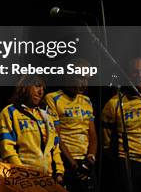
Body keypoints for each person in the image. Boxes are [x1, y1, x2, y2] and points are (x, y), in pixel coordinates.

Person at [101, 57, 141, 192]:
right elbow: (105, 142)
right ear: (128, 76)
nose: (140, 75)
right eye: (135, 72)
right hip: (126, 165)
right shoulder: (114, 103)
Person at [0, 75, 64, 184]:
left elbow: (55, 147)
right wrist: (23, 174)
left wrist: (59, 172)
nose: (41, 92)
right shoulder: (9, 112)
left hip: (48, 179)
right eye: (37, 86)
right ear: (24, 87)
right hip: (23, 179)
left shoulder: (47, 115)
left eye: (43, 88)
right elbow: (7, 149)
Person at [44, 62, 97, 192]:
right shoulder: (53, 98)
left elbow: (93, 135)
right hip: (65, 161)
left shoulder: (86, 100)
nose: (84, 83)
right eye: (80, 77)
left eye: (86, 78)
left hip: (86, 162)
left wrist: (90, 158)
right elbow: (56, 136)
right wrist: (73, 164)